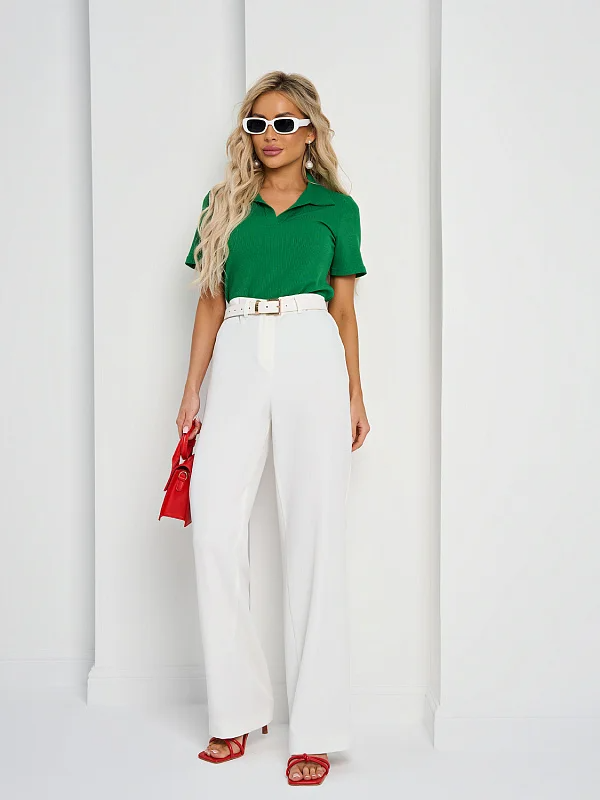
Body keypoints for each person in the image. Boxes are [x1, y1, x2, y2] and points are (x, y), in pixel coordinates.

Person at [176, 70, 370, 786]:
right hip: (237, 346)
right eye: (257, 123)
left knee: (314, 533)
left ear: (309, 131)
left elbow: (345, 311)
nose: (270, 135)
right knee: (214, 526)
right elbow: (208, 301)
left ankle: (314, 730)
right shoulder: (223, 202)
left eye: (285, 122)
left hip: (312, 349)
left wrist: (354, 392)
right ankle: (236, 710)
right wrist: (192, 388)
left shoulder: (337, 209)